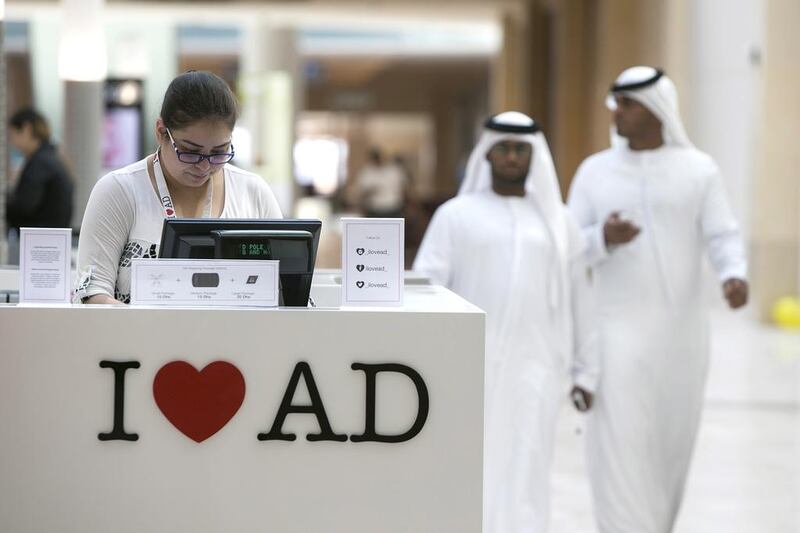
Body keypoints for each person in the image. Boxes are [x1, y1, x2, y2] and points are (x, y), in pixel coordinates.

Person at [567, 66, 748, 533]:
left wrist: (733, 275)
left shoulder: (699, 171)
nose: (617, 114)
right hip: (615, 332)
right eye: (617, 104)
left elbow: (722, 233)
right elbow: (566, 246)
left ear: (655, 110)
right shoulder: (595, 172)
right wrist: (602, 238)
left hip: (681, 337)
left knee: (670, 444)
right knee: (619, 443)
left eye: (627, 105)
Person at [413, 111, 598, 532]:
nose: (512, 157)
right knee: (468, 461)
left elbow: (581, 299)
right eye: (504, 149)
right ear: (487, 154)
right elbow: (427, 287)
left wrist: (586, 371)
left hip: (538, 368)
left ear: (535, 158)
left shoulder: (559, 222)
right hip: (467, 369)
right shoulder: (456, 215)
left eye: (521, 150)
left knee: (529, 462)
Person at [75, 71, 282, 304]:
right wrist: (159, 325)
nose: (204, 166)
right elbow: (91, 295)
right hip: (140, 338)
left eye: (219, 152)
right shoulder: (118, 191)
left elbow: (284, 291)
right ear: (161, 132)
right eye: (190, 152)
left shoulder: (253, 193)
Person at [6, 108, 74, 231]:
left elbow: (24, 206)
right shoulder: (51, 157)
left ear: (26, 129)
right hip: (50, 240)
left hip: (39, 243)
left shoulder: (40, 163)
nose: (12, 142)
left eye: (13, 135)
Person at [357, 147, 406, 218]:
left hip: (393, 208)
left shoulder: (395, 170)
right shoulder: (366, 172)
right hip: (374, 209)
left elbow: (404, 188)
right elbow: (362, 192)